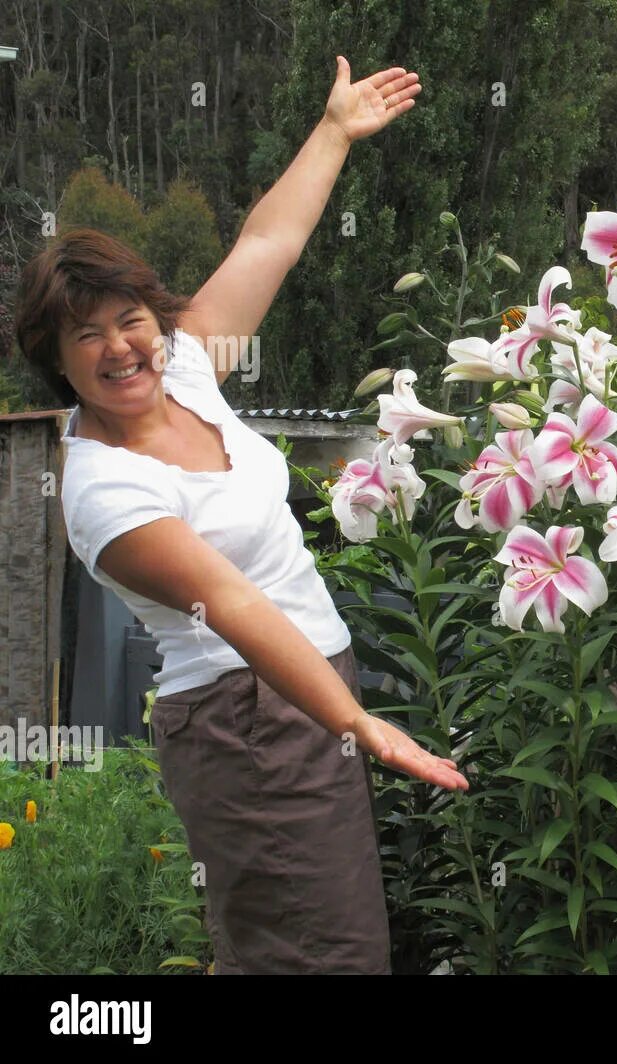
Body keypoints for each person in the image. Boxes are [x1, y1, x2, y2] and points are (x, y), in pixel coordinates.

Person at [13, 56, 468, 975]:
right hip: (248, 716)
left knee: (288, 948)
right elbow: (236, 605)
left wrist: (334, 130)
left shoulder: (183, 368)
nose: (120, 347)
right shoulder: (105, 490)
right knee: (323, 958)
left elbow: (269, 245)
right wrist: (361, 722)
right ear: (57, 361)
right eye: (87, 333)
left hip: (296, 697)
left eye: (130, 318)